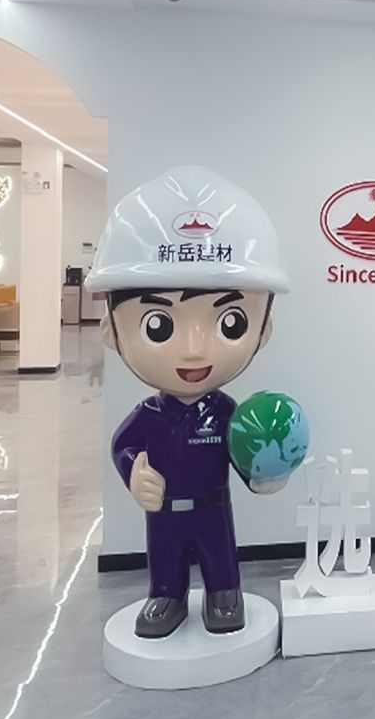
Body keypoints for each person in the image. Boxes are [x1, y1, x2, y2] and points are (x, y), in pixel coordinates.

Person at [87, 166, 292, 639]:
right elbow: (123, 446)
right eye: (159, 326)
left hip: (213, 506)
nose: (195, 349)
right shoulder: (148, 415)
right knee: (165, 558)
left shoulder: (226, 413)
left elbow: (245, 453)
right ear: (111, 332)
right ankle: (166, 595)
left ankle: (225, 593)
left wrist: (265, 474)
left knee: (220, 556)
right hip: (163, 513)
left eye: (230, 323)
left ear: (263, 331)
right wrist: (133, 473)